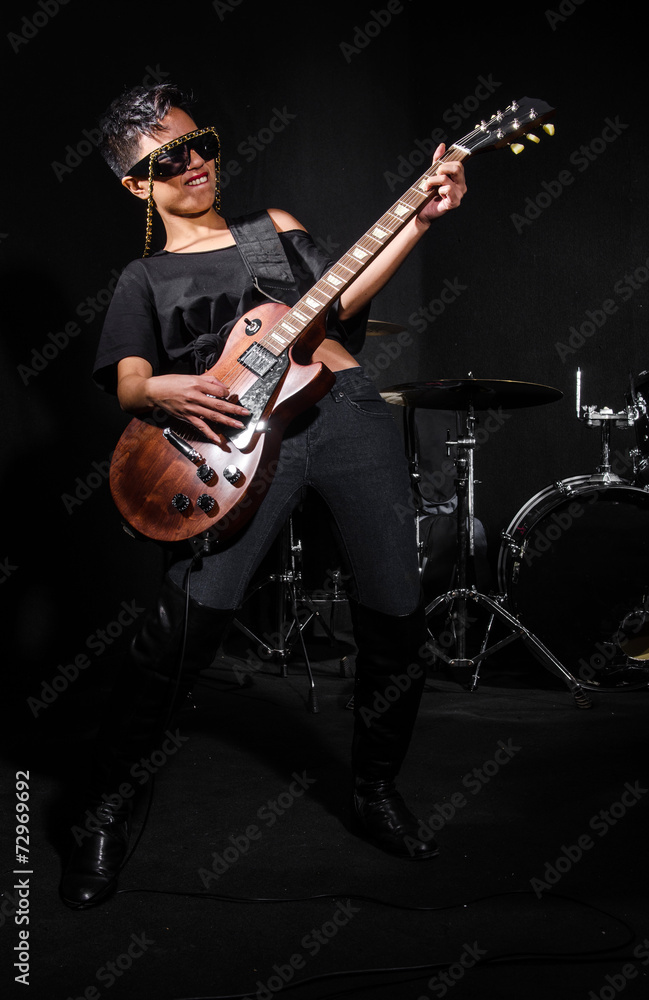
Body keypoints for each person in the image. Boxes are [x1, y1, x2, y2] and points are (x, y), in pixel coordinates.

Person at [59, 83, 467, 909]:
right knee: (184, 632)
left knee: (395, 611)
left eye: (199, 142)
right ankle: (100, 810)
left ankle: (374, 790)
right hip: (227, 449)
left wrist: (420, 218)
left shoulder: (269, 232)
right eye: (167, 157)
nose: (194, 162)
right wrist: (162, 391)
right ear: (136, 183)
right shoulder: (143, 277)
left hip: (346, 419)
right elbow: (131, 380)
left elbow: (341, 302)